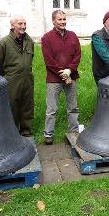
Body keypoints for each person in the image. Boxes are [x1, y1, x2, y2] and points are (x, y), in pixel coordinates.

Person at [41, 10, 81, 145]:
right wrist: (63, 74)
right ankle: (48, 135)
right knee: (52, 109)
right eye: (60, 20)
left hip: (72, 76)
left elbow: (77, 55)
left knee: (73, 107)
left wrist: (70, 70)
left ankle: (73, 132)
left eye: (64, 19)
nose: (63, 22)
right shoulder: (46, 38)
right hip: (54, 79)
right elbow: (49, 60)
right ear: (53, 21)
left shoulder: (73, 36)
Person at [0, 15, 34, 138]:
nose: (23, 26)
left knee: (27, 105)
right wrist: (8, 76)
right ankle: (12, 133)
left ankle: (26, 132)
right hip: (11, 80)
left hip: (27, 79)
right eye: (20, 24)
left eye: (24, 23)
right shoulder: (4, 43)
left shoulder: (29, 41)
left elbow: (31, 58)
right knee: (12, 106)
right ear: (12, 26)